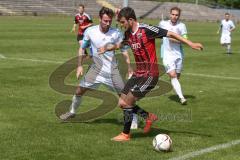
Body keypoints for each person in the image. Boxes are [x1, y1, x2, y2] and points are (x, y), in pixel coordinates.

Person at [98, 7, 203, 141]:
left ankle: (125, 134)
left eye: (123, 22)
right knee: (121, 102)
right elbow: (121, 44)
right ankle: (148, 117)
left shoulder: (146, 30)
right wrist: (107, 48)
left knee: (128, 102)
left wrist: (190, 43)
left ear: (131, 20)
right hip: (138, 74)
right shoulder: (128, 34)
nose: (122, 25)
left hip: (150, 74)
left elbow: (170, 33)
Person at [60, 7, 134, 121]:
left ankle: (132, 120)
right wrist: (79, 65)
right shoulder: (90, 31)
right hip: (95, 70)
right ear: (100, 18)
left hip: (111, 71)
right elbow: (82, 48)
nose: (108, 23)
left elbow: (124, 50)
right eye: (105, 21)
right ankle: (72, 112)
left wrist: (129, 67)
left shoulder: (116, 33)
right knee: (79, 91)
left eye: (110, 21)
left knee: (124, 97)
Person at [159, 7, 188, 105]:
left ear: (179, 16)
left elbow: (185, 40)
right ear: (170, 14)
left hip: (179, 54)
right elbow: (157, 34)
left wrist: (174, 39)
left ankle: (174, 83)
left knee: (176, 77)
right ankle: (182, 98)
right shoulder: (163, 24)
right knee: (173, 75)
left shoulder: (182, 26)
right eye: (173, 14)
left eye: (176, 15)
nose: (174, 17)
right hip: (167, 55)